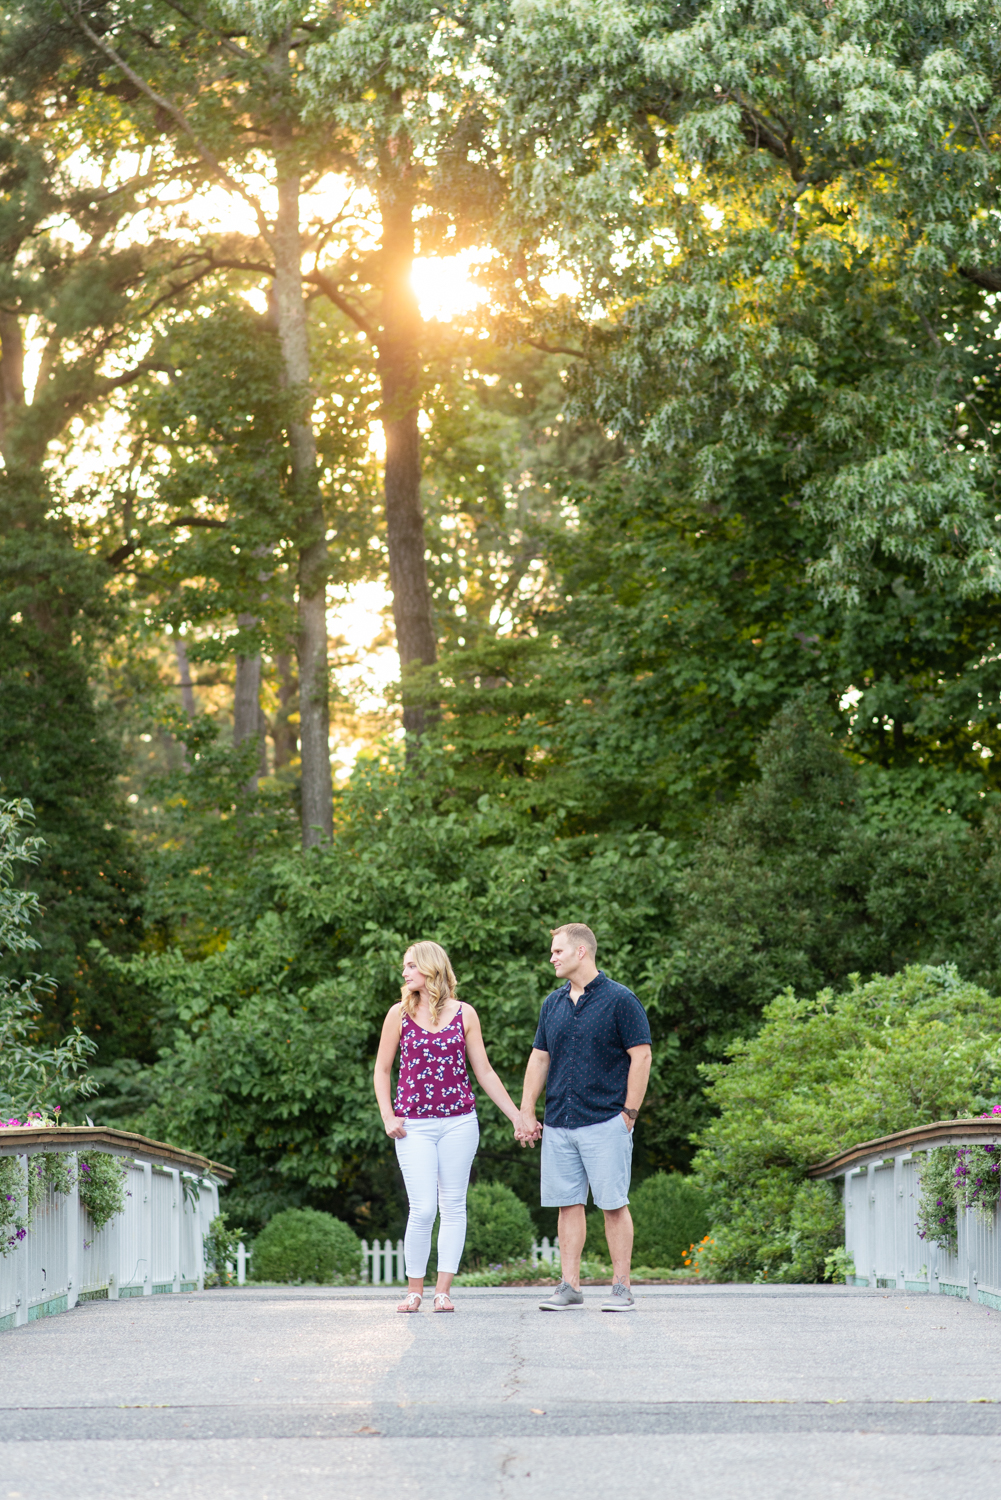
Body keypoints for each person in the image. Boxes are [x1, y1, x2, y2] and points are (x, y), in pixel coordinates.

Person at [374, 939, 526, 1314]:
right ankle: (414, 1290)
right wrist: (387, 1115)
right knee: (423, 1209)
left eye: (411, 965)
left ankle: (443, 1290)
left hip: (460, 1122)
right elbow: (381, 1070)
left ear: (429, 969)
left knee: (454, 1206)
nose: (405, 972)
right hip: (414, 1126)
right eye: (405, 967)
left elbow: (485, 1072)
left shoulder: (465, 1014)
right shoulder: (398, 1015)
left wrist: (517, 1115)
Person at [517, 923, 652, 1312]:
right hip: (559, 1121)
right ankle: (569, 1286)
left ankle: (622, 1287)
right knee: (567, 1205)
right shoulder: (552, 1004)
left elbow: (640, 1056)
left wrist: (630, 1111)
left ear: (581, 952)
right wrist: (527, 1109)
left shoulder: (621, 1000)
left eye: (558, 951)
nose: (551, 958)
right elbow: (539, 1058)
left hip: (606, 1120)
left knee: (613, 1204)